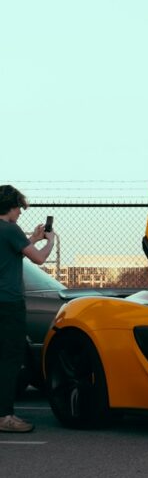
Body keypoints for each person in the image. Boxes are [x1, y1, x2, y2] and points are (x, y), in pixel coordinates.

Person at [0, 185, 56, 433]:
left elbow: (12, 254)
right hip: (9, 304)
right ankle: (5, 416)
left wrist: (31, 239)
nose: (20, 212)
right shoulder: (10, 229)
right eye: (19, 208)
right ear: (10, 206)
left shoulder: (9, 233)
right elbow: (39, 259)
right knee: (10, 361)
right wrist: (49, 242)